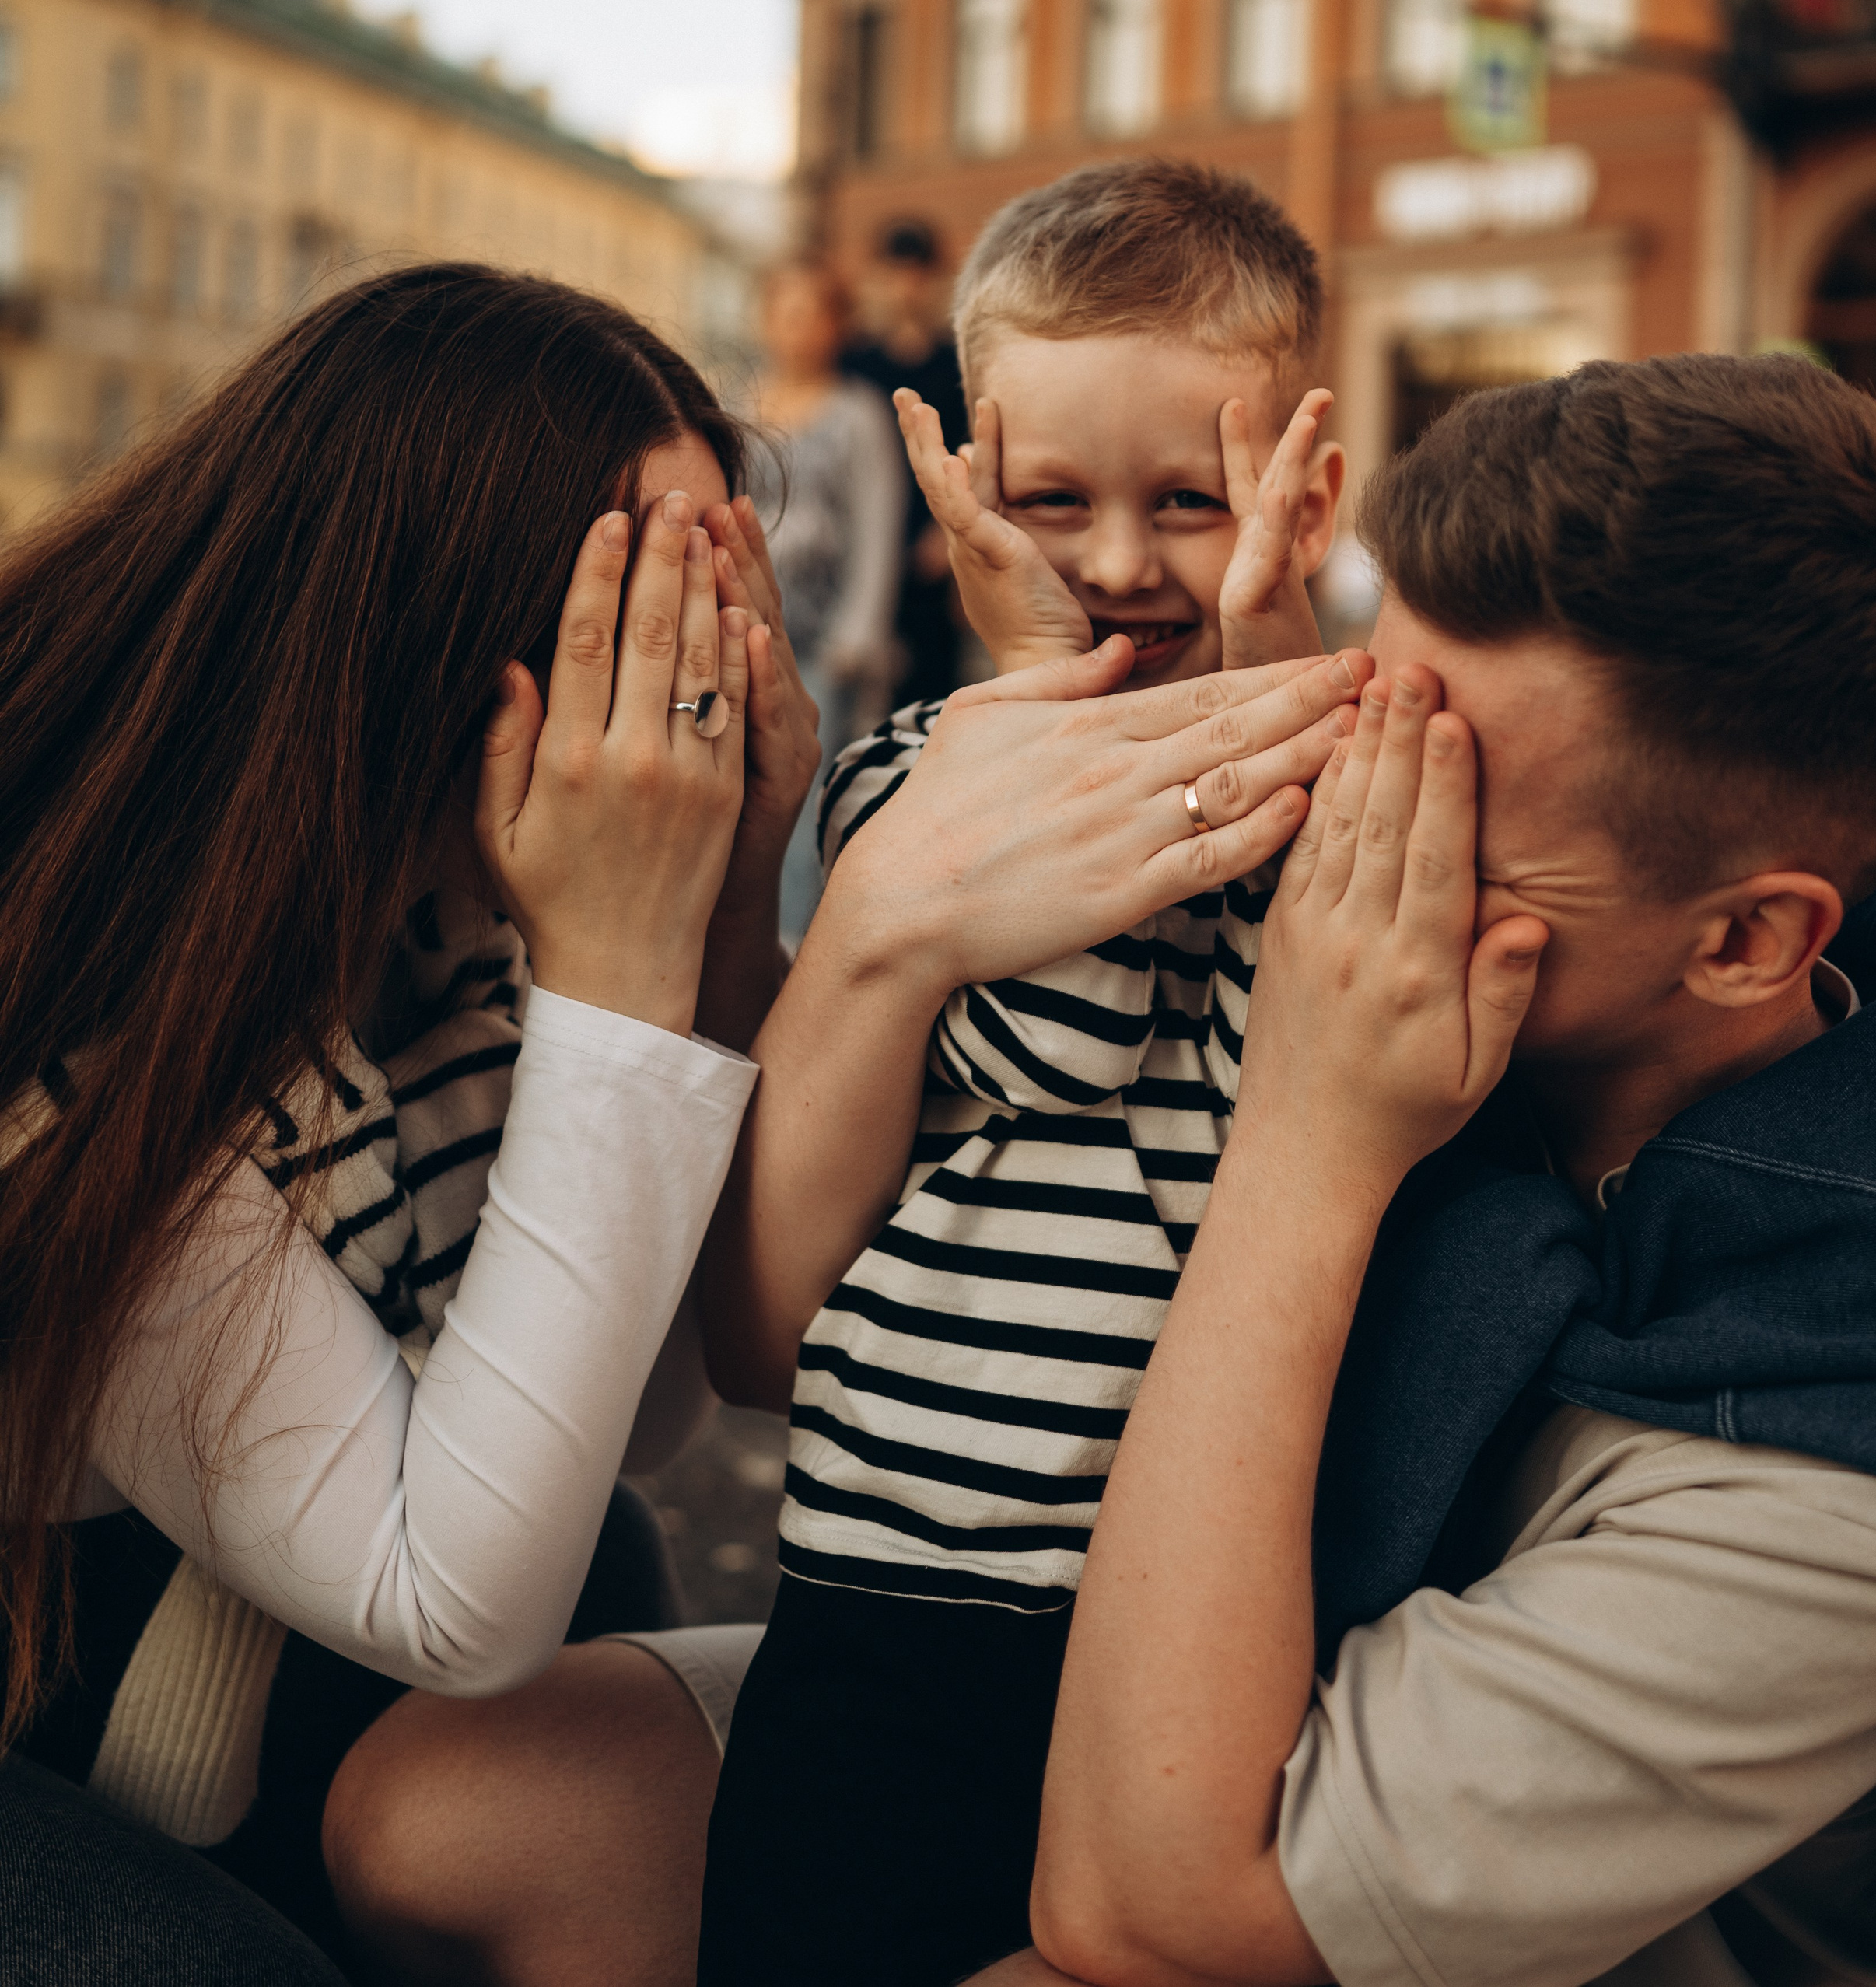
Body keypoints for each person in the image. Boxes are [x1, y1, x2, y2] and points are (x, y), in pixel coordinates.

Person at [980, 356, 1876, 1986]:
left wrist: (1304, 1142)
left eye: (1437, 821)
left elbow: (1152, 1914)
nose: (1339, 836)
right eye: (1371, 730)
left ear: (1741, 940)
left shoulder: (1861, 1471)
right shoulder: (1537, 1023)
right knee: (505, 1802)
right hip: (1069, 1699)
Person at [0, 264, 821, 1982]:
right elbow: (457, 1600)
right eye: (646, 624)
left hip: (206, 1610)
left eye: (719, 610)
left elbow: (634, 1421)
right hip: (53, 1681)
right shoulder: (115, 1018)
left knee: (602, 1536)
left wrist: (722, 935)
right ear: (446, 647)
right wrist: (617, 977)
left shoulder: (430, 949)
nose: (706, 694)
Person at [696, 159, 1353, 1985]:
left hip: (1177, 1590)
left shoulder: (1338, 756)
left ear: (1295, 480)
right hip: (893, 1540)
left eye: (1190, 501)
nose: (1126, 561)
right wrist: (1050, 684)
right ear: (971, 494)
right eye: (1054, 501)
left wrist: (1278, 654)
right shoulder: (919, 765)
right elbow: (1049, 1033)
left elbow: (1335, 999)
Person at [749, 259, 905, 940]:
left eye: (813, 314)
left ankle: (795, 943)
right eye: (786, 312)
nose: (798, 329)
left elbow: (878, 523)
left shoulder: (857, 414)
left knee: (806, 793)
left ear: (836, 326)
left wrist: (859, 631)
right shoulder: (736, 404)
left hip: (821, 635)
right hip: (747, 625)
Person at [839, 215, 972, 705]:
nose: (906, 289)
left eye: (917, 276)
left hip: (930, 548)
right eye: (895, 276)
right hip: (865, 538)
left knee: (932, 684)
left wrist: (949, 531)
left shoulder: (956, 362)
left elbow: (972, 448)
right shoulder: (853, 361)